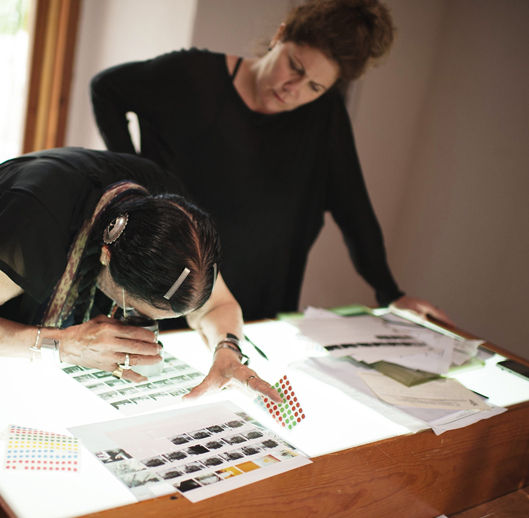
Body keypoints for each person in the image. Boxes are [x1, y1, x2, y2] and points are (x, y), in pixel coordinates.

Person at [0, 148, 279, 441]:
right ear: (106, 255)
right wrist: (65, 345)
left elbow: (219, 304)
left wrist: (227, 349)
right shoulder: (37, 223)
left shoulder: (175, 225)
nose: (143, 324)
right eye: (135, 310)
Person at [90, 0, 451, 325]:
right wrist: (138, 177)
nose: (294, 89)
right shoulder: (193, 76)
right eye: (294, 66)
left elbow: (352, 204)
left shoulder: (323, 115)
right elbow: (106, 88)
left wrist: (390, 292)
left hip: (259, 294)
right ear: (280, 35)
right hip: (165, 278)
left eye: (315, 87)